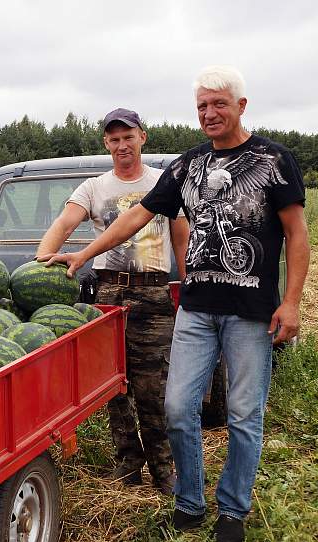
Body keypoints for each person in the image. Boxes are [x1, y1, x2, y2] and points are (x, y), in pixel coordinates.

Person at [38, 66, 309, 542]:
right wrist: (84, 253)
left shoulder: (274, 159)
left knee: (244, 415)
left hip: (250, 313)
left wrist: (291, 303)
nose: (209, 113)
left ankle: (232, 510)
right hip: (196, 310)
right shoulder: (187, 166)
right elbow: (138, 217)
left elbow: (296, 233)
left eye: (219, 103)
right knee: (178, 408)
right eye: (202, 105)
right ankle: (189, 503)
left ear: (240, 106)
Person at [36, 108, 189, 495]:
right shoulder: (93, 188)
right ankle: (128, 460)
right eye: (114, 139)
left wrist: (186, 285)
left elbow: (181, 237)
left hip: (153, 291)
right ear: (106, 143)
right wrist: (38, 268)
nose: (122, 145)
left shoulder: (164, 182)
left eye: (129, 137)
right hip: (108, 292)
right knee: (113, 385)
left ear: (143, 138)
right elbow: (64, 224)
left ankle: (162, 466)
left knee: (154, 386)